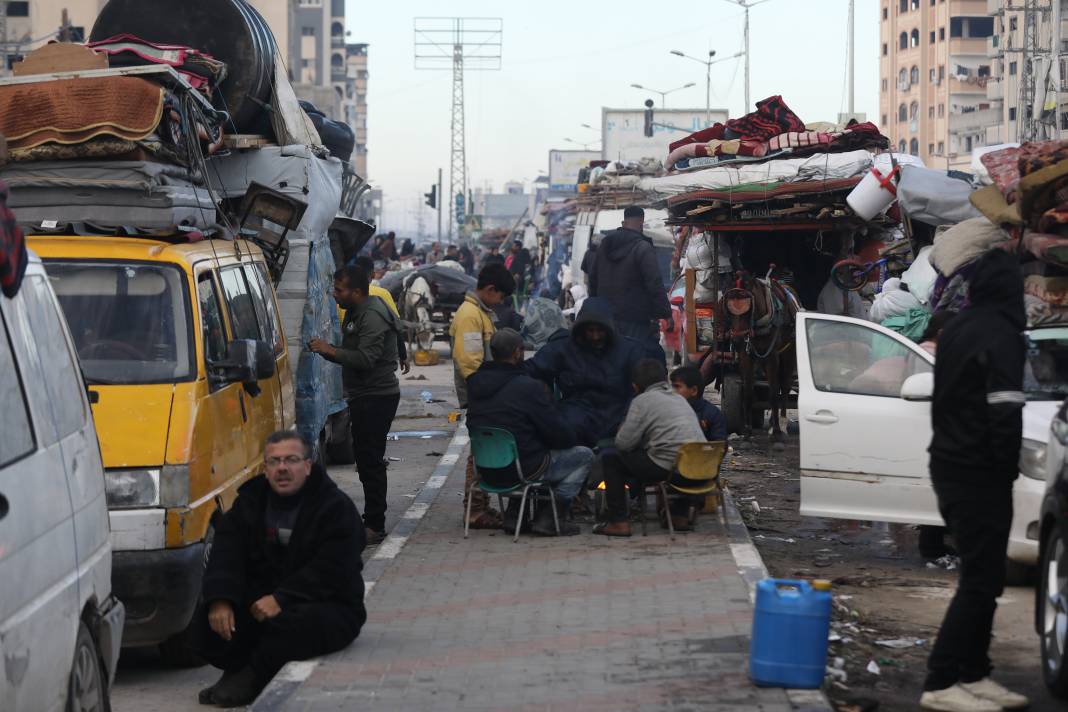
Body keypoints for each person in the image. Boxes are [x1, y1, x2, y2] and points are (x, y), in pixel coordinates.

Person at [920, 250, 1029, 712]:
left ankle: (974, 672)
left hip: (951, 463)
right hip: (978, 470)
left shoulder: (960, 327)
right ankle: (941, 681)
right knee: (980, 581)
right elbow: (1005, 411)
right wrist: (1006, 468)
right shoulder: (1002, 334)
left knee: (984, 576)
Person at [192, 431, 366, 707]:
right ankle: (237, 668)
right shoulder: (251, 501)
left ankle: (254, 675)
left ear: (308, 465)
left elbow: (335, 567)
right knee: (210, 621)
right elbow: (227, 550)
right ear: (265, 468)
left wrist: (282, 598)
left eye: (291, 460)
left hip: (329, 605)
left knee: (290, 626)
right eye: (274, 461)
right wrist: (220, 599)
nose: (282, 468)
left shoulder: (334, 507)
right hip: (266, 600)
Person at [467, 329, 593, 536]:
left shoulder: (474, 383)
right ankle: (550, 517)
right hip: (524, 470)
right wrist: (570, 436)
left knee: (529, 447)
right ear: (518, 352)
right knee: (583, 456)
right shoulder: (528, 387)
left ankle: (515, 514)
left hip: (487, 470)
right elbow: (557, 432)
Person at [308, 265, 401, 546]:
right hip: (364, 395)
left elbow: (366, 358)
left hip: (376, 397)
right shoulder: (356, 309)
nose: (335, 295)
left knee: (371, 462)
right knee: (365, 460)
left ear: (357, 292)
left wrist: (330, 351)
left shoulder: (371, 314)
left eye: (339, 290)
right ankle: (372, 520)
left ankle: (375, 524)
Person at [593, 359, 706, 537]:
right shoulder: (679, 399)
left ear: (635, 386)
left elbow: (623, 444)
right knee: (676, 454)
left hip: (671, 469)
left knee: (612, 458)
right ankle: (679, 517)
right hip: (701, 468)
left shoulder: (642, 401)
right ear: (665, 380)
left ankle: (619, 522)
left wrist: (623, 429)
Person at [526, 297, 646, 447]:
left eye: (600, 331)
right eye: (590, 331)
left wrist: (627, 420)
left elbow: (643, 390)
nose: (595, 336)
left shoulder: (630, 351)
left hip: (617, 417)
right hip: (576, 418)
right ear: (582, 330)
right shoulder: (564, 348)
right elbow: (531, 370)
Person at [450, 263, 516, 530]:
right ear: (490, 289)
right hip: (481, 393)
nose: (500, 302)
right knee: (480, 450)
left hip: (486, 391)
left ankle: (480, 506)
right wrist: (490, 391)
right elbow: (469, 364)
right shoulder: (470, 315)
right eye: (501, 296)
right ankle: (475, 510)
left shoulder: (481, 312)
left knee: (481, 449)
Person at [588, 206, 672, 358]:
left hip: (606, 317)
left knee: (610, 358)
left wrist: (595, 309)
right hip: (636, 319)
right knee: (634, 359)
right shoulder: (643, 248)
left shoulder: (604, 246)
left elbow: (593, 279)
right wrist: (665, 313)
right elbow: (654, 283)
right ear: (641, 223)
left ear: (623, 222)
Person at [917, 310, 957, 563]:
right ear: (942, 333)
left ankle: (933, 543)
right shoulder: (930, 355)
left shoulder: (929, 351)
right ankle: (932, 546)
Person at [353, 256, 409, 375]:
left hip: (351, 360)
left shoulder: (344, 295)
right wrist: (403, 355)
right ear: (373, 275)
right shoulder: (383, 294)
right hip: (380, 362)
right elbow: (396, 327)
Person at [670, 365, 726, 442]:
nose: (672, 391)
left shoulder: (712, 414)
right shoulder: (668, 411)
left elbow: (719, 444)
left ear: (694, 391)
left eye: (677, 386)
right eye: (671, 387)